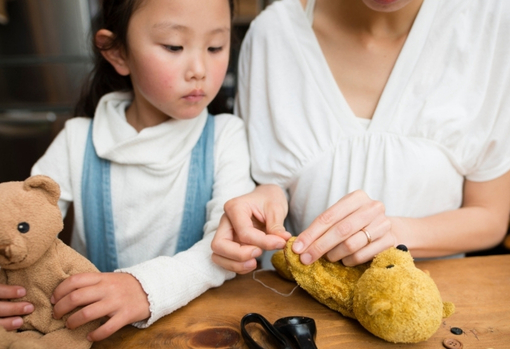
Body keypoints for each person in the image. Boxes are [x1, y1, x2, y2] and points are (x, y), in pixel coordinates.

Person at [0, 0, 255, 342]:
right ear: (118, 52)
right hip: (93, 336)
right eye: (174, 46)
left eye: (215, 47)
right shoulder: (77, 140)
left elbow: (224, 247)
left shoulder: (226, 136)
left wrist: (145, 288)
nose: (199, 69)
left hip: (202, 333)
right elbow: (18, 222)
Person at [211, 0, 510, 274]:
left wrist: (395, 234)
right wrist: (263, 205)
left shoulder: (492, 25)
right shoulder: (272, 35)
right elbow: (269, 190)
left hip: (446, 314)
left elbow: (491, 216)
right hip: (303, 312)